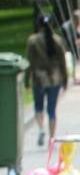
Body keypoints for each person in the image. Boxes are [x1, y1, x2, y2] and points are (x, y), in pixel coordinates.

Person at [25, 14, 67, 148]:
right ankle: (52, 137)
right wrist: (65, 78)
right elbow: (63, 62)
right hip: (55, 78)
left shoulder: (32, 41)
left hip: (39, 78)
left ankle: (41, 129)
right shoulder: (57, 40)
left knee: (38, 107)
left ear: (38, 25)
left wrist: (27, 79)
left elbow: (29, 61)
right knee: (52, 109)